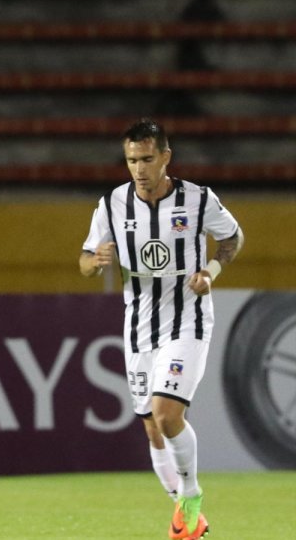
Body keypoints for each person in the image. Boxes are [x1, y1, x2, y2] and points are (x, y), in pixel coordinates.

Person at [79, 118, 243, 540]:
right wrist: (94, 261)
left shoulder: (198, 199)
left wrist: (211, 269)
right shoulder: (111, 204)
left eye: (147, 159)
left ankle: (190, 499)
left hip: (188, 320)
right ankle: (187, 515)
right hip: (138, 329)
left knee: (166, 414)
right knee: (152, 427)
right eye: (132, 160)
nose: (139, 168)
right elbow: (82, 260)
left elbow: (233, 238)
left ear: (165, 158)